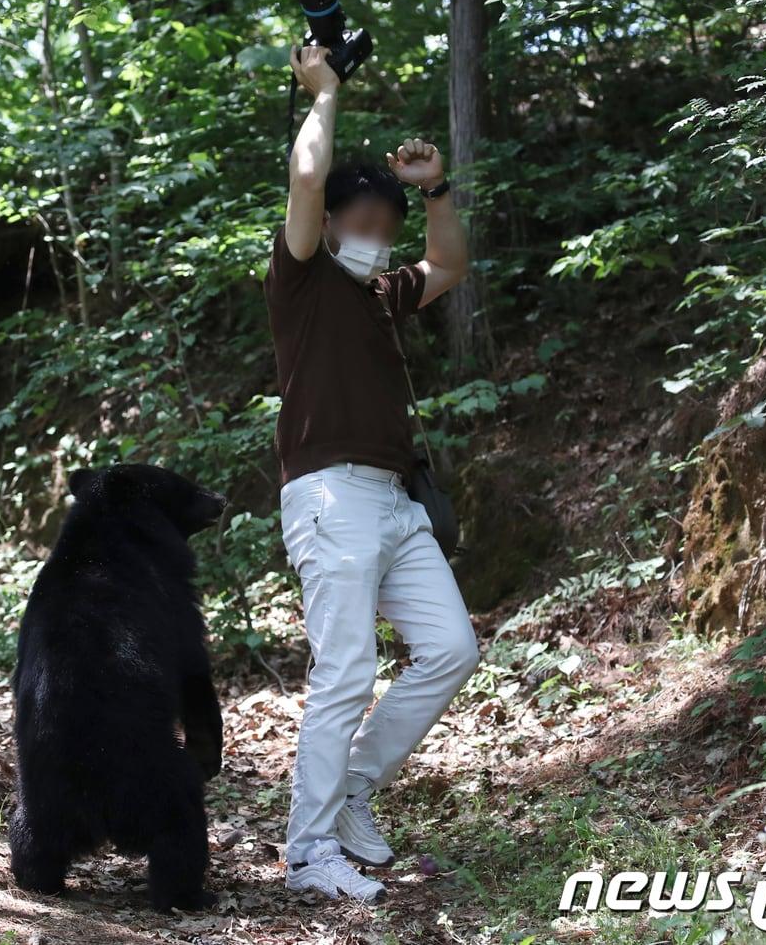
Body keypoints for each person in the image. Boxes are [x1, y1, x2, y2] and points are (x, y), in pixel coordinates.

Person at [264, 45, 481, 902]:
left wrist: (434, 189)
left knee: (450, 648)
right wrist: (325, 95)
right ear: (332, 223)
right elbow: (308, 182)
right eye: (365, 221)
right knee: (346, 669)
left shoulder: (383, 294)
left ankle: (351, 792)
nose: (376, 238)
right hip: (329, 495)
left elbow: (452, 265)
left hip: (395, 502)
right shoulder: (303, 280)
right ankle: (308, 851)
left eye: (387, 228)